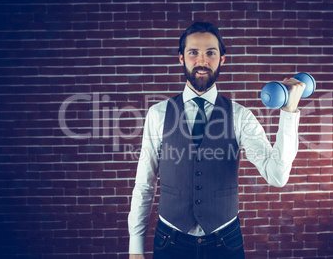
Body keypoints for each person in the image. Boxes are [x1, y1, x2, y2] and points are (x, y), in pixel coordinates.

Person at [128, 22, 305, 259]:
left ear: (222, 59)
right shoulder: (158, 113)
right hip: (170, 241)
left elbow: (277, 176)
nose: (202, 61)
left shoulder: (241, 116)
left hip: (225, 243)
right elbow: (144, 183)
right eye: (193, 52)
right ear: (181, 58)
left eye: (211, 52)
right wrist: (136, 247)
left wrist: (289, 112)